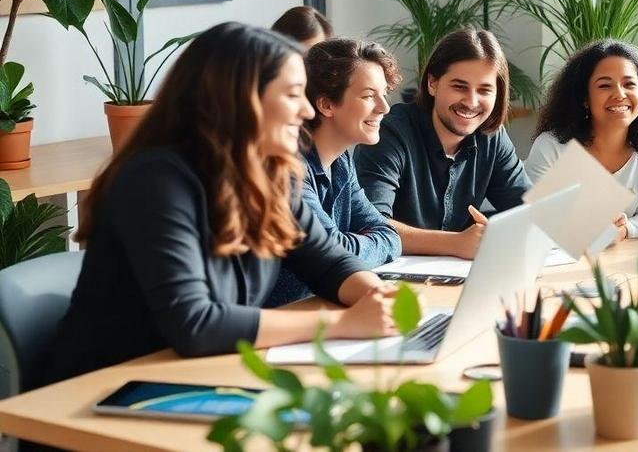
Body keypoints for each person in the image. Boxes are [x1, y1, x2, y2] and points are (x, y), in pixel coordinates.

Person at [40, 23, 397, 386]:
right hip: (102, 389)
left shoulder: (272, 175)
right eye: (293, 95)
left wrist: (378, 296)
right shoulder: (155, 181)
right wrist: (341, 323)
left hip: (196, 375)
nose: (307, 111)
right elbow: (195, 324)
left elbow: (329, 263)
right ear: (241, 100)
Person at [354, 28, 530, 259]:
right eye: (459, 87)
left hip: (458, 273)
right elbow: (370, 225)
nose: (471, 102)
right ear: (432, 83)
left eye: (484, 90)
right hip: (391, 276)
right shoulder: (390, 133)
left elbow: (528, 210)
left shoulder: (491, 137)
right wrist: (456, 243)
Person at [267, 38, 405, 307]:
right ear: (326, 105)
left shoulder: (341, 162)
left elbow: (389, 235)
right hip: (281, 318)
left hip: (320, 307)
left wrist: (351, 244)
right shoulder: (289, 167)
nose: (384, 107)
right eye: (369, 96)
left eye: (383, 94)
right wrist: (355, 244)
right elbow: (331, 253)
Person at [525, 40, 638, 241]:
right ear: (584, 98)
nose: (619, 94)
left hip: (622, 256)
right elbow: (535, 221)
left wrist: (626, 229)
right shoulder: (551, 147)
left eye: (629, 84)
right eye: (605, 85)